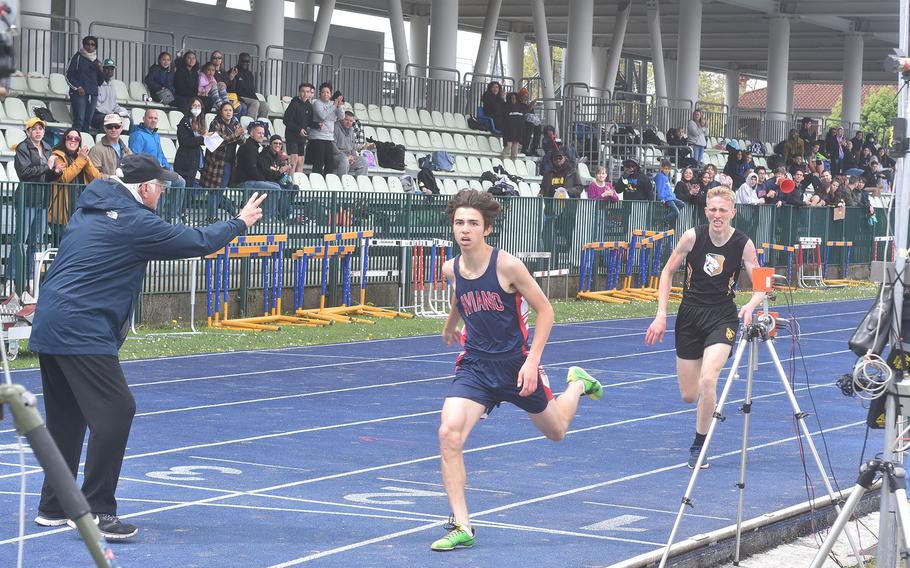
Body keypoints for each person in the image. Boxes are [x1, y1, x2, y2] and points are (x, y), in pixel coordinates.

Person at [29, 153, 266, 541]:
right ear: (144, 188)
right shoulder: (135, 222)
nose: (163, 190)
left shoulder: (89, 209)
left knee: (68, 421)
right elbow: (197, 241)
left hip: (51, 321)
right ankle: (97, 510)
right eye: (160, 185)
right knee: (117, 410)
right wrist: (239, 222)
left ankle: (54, 507)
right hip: (81, 328)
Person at [431, 189, 603, 551]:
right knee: (449, 433)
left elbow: (546, 311)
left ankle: (576, 384)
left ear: (487, 229)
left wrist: (532, 361)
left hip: (515, 364)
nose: (465, 230)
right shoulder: (451, 268)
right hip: (476, 366)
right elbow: (461, 296)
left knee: (556, 431)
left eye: (472, 224)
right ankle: (462, 524)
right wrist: (451, 324)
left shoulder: (507, 265)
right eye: (459, 223)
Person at [645, 186, 764, 468]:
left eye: (723, 210)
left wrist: (750, 305)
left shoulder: (743, 243)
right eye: (713, 209)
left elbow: (763, 282)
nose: (718, 215)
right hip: (689, 316)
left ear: (733, 212)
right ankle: (705, 400)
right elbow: (667, 271)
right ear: (706, 211)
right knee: (689, 394)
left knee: (708, 379)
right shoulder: (692, 237)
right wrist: (661, 313)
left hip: (722, 316)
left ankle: (700, 443)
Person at [11, 117, 63, 290]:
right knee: (21, 240)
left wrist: (55, 172)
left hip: (42, 200)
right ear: (28, 132)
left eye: (41, 128)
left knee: (37, 242)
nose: (38, 131)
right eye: (35, 129)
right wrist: (47, 167)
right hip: (27, 199)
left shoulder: (48, 148)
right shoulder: (23, 147)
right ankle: (12, 279)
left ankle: (31, 279)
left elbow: (47, 176)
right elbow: (24, 172)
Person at [128, 108, 187, 222]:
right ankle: (158, 217)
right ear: (144, 119)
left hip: (160, 170)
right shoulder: (137, 135)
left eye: (155, 118)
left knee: (181, 181)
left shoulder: (156, 135)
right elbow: (134, 157)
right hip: (146, 171)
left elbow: (161, 154)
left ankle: (172, 216)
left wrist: (169, 168)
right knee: (166, 183)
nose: (153, 120)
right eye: (150, 118)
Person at [48, 128, 100, 242]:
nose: (73, 140)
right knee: (61, 245)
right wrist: (81, 159)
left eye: (76, 138)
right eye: (69, 138)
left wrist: (86, 159)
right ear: (64, 139)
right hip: (61, 213)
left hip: (78, 210)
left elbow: (96, 178)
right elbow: (64, 177)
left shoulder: (80, 157)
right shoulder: (58, 155)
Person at [201, 101, 245, 222]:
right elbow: (219, 141)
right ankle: (211, 217)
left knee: (221, 190)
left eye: (230, 110)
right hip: (216, 162)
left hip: (230, 161)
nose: (228, 112)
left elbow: (242, 141)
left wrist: (240, 135)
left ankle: (215, 215)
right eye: (225, 110)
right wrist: (235, 135)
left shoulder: (236, 123)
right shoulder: (215, 123)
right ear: (221, 112)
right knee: (214, 190)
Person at [65, 35, 105, 132]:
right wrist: (77, 87)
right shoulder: (77, 57)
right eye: (87, 44)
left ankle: (84, 145)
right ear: (83, 45)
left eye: (93, 44)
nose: (90, 46)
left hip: (93, 94)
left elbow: (99, 82)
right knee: (79, 121)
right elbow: (68, 75)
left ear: (95, 47)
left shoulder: (97, 62)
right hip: (79, 94)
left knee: (87, 122)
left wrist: (101, 71)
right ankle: (75, 144)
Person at [173, 97, 209, 199]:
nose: (197, 108)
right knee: (182, 191)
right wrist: (203, 138)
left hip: (195, 160)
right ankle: (177, 213)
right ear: (190, 107)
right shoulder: (184, 122)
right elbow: (185, 141)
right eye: (194, 106)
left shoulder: (200, 122)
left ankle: (183, 211)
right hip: (185, 161)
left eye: (199, 106)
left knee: (189, 190)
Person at [306, 82, 344, 176]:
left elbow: (342, 117)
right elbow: (322, 115)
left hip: (329, 137)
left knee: (329, 164)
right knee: (319, 162)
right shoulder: (317, 103)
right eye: (323, 92)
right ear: (320, 93)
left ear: (331, 94)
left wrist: (339, 106)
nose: (325, 94)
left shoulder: (333, 104)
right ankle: (316, 183)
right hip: (317, 137)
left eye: (327, 92)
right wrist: (334, 105)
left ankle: (327, 184)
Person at [284, 82, 315, 174]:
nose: (305, 94)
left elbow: (309, 122)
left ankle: (298, 182)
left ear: (310, 93)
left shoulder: (309, 106)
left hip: (302, 137)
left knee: (301, 160)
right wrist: (299, 130)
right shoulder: (294, 103)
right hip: (292, 136)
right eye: (303, 91)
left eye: (307, 92)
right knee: (294, 158)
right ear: (299, 92)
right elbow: (286, 120)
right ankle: (290, 181)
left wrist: (318, 125)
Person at [91, 59, 129, 132]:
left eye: (112, 69)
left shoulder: (112, 85)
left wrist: (120, 111)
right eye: (107, 69)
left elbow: (114, 105)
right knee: (109, 120)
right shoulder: (96, 84)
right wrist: (111, 114)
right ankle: (104, 142)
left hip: (109, 115)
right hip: (97, 115)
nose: (110, 71)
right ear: (102, 70)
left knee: (128, 120)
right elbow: (96, 107)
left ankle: (121, 141)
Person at [89, 113, 132, 177]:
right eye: (110, 127)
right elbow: (93, 175)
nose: (113, 129)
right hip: (105, 186)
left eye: (117, 126)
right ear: (105, 128)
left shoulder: (127, 150)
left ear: (121, 128)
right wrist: (114, 178)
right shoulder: (96, 149)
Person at [228, 52, 269, 119]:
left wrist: (256, 98)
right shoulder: (234, 71)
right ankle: (251, 126)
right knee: (255, 103)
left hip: (250, 98)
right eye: (243, 61)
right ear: (239, 61)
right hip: (240, 97)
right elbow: (230, 88)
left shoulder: (249, 74)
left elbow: (251, 90)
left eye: (247, 61)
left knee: (265, 105)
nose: (245, 63)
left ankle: (261, 125)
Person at [333, 110, 369, 176]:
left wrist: (353, 157)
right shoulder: (335, 127)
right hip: (336, 156)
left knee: (363, 161)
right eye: (346, 120)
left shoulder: (351, 130)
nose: (348, 122)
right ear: (342, 119)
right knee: (344, 159)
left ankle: (360, 183)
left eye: (351, 121)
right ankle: (343, 182)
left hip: (348, 157)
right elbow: (333, 147)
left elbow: (352, 147)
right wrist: (346, 156)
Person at [654, 159, 686, 227]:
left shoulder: (666, 177)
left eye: (668, 169)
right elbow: (660, 188)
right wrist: (662, 198)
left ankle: (669, 215)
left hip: (671, 197)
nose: (667, 170)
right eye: (665, 169)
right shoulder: (660, 176)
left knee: (682, 204)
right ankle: (664, 221)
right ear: (662, 168)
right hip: (667, 198)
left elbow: (668, 188)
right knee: (676, 212)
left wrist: (673, 196)